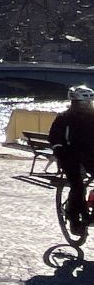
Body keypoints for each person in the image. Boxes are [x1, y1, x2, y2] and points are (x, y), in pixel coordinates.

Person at [47, 85, 94, 237]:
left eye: (89, 103)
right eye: (83, 104)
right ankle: (73, 217)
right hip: (70, 156)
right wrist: (60, 150)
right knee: (78, 185)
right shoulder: (64, 118)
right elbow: (54, 137)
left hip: (90, 156)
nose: (87, 106)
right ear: (74, 103)